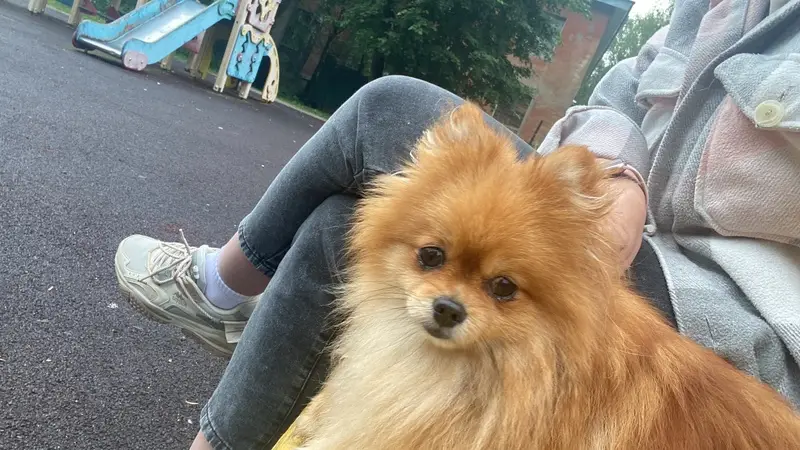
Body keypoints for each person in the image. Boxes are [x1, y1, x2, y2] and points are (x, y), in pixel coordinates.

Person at [114, 0, 800, 447]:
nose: (450, 297)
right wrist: (620, 173)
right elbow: (622, 91)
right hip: (628, 224)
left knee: (388, 108)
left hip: (736, 305)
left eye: (497, 288)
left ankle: (222, 286)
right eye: (433, 258)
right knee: (335, 225)